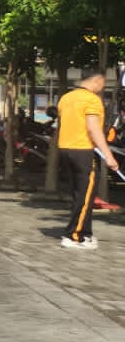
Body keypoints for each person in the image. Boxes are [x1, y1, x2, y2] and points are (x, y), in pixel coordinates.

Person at [55, 71, 120, 250]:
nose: (102, 88)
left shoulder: (66, 98)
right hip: (83, 152)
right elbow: (93, 129)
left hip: (66, 149)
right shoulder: (91, 100)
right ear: (97, 80)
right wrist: (109, 156)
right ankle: (73, 236)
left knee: (80, 195)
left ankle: (85, 234)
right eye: (103, 83)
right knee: (85, 196)